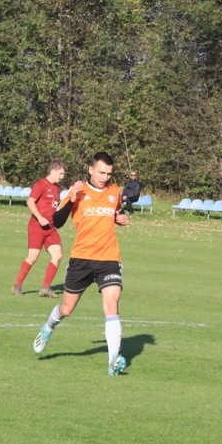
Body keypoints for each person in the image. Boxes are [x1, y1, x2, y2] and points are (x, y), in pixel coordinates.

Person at [32, 152, 131, 376]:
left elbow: (116, 213)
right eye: (101, 172)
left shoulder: (114, 191)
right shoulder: (78, 190)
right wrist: (72, 199)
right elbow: (57, 221)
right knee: (66, 309)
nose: (105, 177)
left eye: (109, 174)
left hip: (109, 259)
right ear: (90, 169)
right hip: (82, 259)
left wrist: (120, 218)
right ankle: (48, 327)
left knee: (112, 305)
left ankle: (113, 360)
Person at [12, 160, 67, 298]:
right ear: (53, 171)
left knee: (58, 255)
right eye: (61, 174)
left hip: (51, 228)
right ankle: (17, 285)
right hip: (37, 226)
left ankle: (45, 288)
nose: (62, 177)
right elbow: (30, 202)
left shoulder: (57, 189)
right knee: (33, 257)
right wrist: (40, 217)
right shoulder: (40, 184)